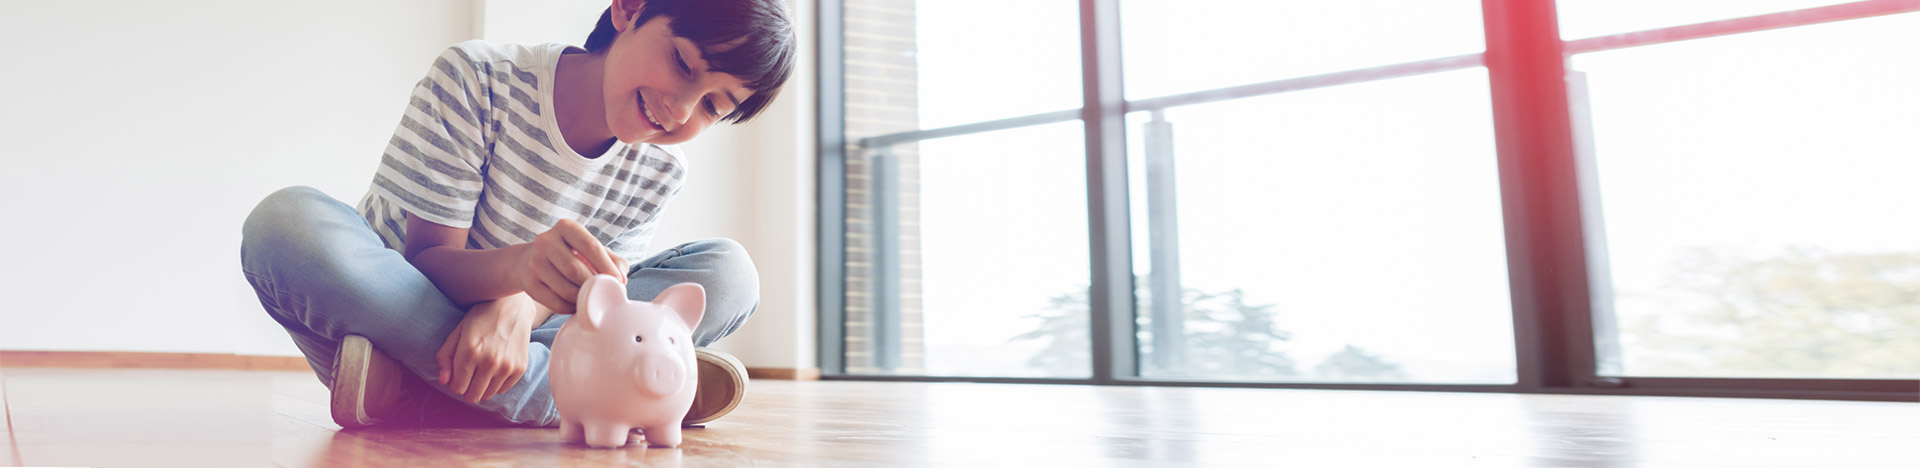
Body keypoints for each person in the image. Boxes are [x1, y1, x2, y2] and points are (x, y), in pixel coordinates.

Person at [239, 0, 795, 428]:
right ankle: (606, 395)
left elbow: (592, 304)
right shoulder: (476, 79)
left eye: (714, 107)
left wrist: (519, 305)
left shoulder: (659, 170)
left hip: (486, 336)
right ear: (630, 7)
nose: (680, 109)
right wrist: (519, 273)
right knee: (286, 226)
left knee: (730, 275)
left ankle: (419, 395)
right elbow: (428, 263)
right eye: (682, 63)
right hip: (400, 301)